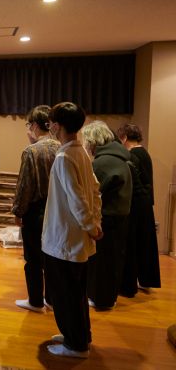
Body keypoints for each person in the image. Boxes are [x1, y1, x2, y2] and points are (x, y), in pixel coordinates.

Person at [41, 102, 102, 359]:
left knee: (65, 294)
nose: (50, 127)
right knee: (75, 292)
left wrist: (91, 225)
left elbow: (78, 200)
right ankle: (79, 336)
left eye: (51, 123)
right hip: (76, 237)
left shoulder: (65, 156)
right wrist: (94, 224)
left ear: (57, 125)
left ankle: (75, 345)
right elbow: (95, 191)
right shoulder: (81, 153)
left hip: (64, 239)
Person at [12, 105, 60, 313]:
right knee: (51, 257)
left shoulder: (31, 151)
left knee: (33, 259)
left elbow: (25, 186)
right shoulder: (61, 147)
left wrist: (18, 211)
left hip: (36, 211)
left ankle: (35, 301)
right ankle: (51, 298)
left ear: (33, 125)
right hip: (56, 211)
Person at [82, 121, 132, 309]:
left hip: (108, 218)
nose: (85, 145)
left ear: (93, 140)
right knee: (112, 261)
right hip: (120, 216)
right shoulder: (118, 157)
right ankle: (108, 297)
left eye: (86, 141)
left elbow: (92, 192)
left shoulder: (103, 162)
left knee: (102, 262)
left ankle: (100, 298)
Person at [117, 123, 161, 292]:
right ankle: (145, 280)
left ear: (125, 137)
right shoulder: (144, 153)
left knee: (133, 243)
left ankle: (129, 283)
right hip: (146, 204)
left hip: (135, 204)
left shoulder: (132, 155)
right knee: (146, 243)